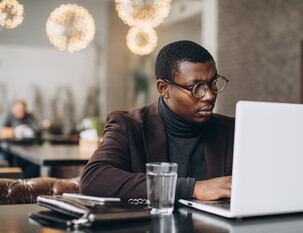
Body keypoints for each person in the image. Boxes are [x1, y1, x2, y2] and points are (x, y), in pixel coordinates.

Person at [80, 40, 234, 201]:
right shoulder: (128, 126)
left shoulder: (232, 129)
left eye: (213, 84)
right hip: (150, 225)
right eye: (197, 88)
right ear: (164, 89)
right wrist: (193, 188)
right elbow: (94, 179)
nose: (209, 95)